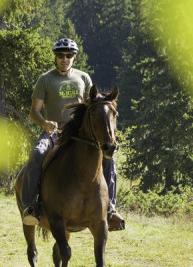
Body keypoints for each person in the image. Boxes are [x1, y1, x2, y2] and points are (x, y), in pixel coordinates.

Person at [20, 37, 125, 231]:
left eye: (69, 55)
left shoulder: (83, 78)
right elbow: (34, 112)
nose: (64, 59)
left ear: (74, 58)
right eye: (60, 55)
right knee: (36, 154)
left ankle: (110, 209)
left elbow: (92, 106)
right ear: (55, 57)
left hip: (80, 134)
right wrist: (44, 123)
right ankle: (32, 207)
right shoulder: (45, 79)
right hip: (54, 132)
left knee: (109, 159)